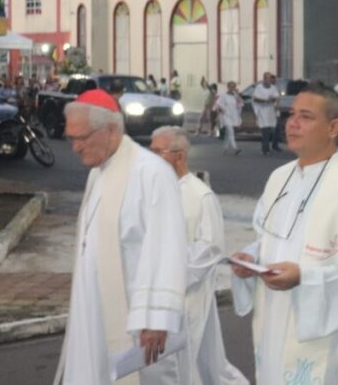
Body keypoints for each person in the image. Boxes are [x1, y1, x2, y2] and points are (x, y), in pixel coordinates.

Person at [229, 84, 338, 384]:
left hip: (322, 328)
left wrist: (304, 277)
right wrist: (252, 258)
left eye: (306, 116)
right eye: (290, 114)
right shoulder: (279, 178)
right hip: (274, 316)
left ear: (334, 127)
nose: (292, 123)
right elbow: (268, 237)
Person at [54, 90, 188, 385]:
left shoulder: (152, 173)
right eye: (70, 138)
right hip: (92, 313)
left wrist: (156, 318)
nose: (75, 147)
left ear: (111, 129)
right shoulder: (99, 172)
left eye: (82, 138)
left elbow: (168, 249)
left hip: (135, 323)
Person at [149, 127, 249, 385]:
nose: (151, 158)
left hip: (187, 292)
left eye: (157, 152)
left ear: (179, 156)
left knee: (185, 358)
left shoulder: (200, 196)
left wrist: (172, 270)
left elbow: (210, 247)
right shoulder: (153, 190)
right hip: (155, 289)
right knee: (197, 361)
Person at [252, 73, 279, 156]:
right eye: (267, 78)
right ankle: (265, 148)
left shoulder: (273, 88)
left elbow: (276, 97)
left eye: (270, 78)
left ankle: (268, 146)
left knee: (272, 130)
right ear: (264, 79)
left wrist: (273, 99)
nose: (269, 80)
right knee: (265, 130)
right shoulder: (259, 88)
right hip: (262, 111)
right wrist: (264, 101)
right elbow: (255, 99)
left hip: (270, 112)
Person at [216, 82, 243, 155]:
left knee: (228, 133)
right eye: (231, 87)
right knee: (231, 131)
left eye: (234, 87)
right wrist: (220, 111)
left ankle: (225, 147)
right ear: (228, 87)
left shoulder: (235, 96)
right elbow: (218, 104)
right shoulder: (223, 96)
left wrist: (237, 96)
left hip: (233, 116)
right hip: (226, 116)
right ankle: (235, 148)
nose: (232, 88)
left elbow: (240, 104)